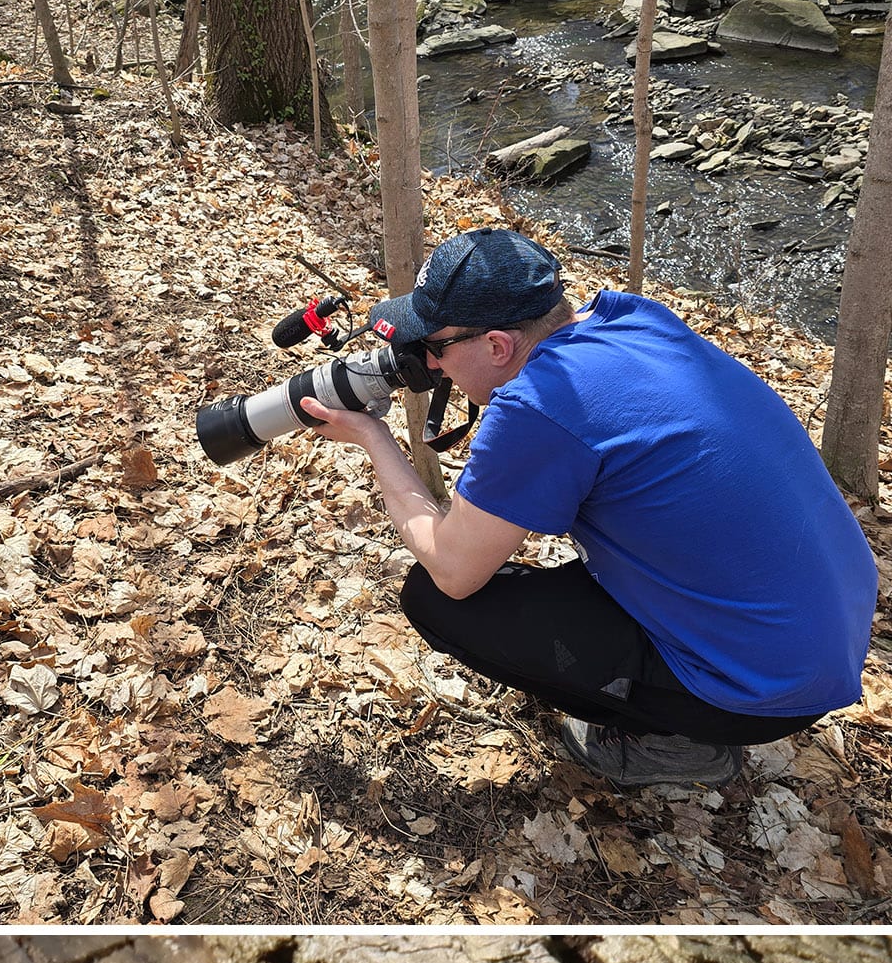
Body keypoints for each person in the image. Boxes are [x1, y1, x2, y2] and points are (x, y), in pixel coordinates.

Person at [300, 226, 878, 788]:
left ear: (498, 345)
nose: (429, 365)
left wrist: (374, 438)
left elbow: (452, 571)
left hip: (762, 691)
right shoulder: (634, 319)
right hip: (824, 622)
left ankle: (674, 740)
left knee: (434, 600)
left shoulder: (540, 406)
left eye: (434, 347)